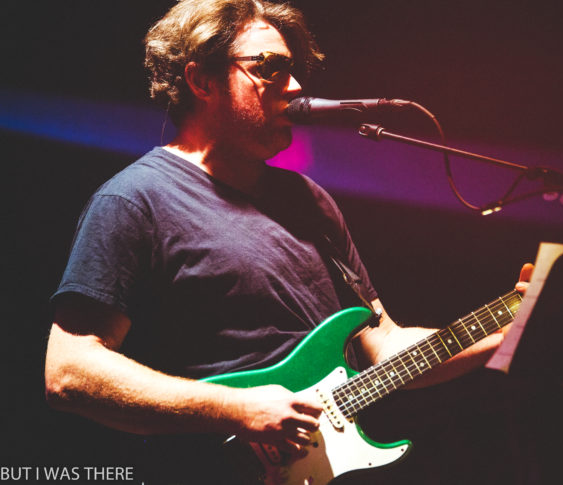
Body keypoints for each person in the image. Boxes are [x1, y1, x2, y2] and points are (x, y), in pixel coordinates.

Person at [44, 0, 532, 482]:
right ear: (202, 80)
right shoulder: (135, 200)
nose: (295, 86)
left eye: (293, 70)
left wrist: (506, 331)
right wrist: (236, 409)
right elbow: (69, 372)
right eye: (270, 68)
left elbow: (383, 344)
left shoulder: (310, 201)